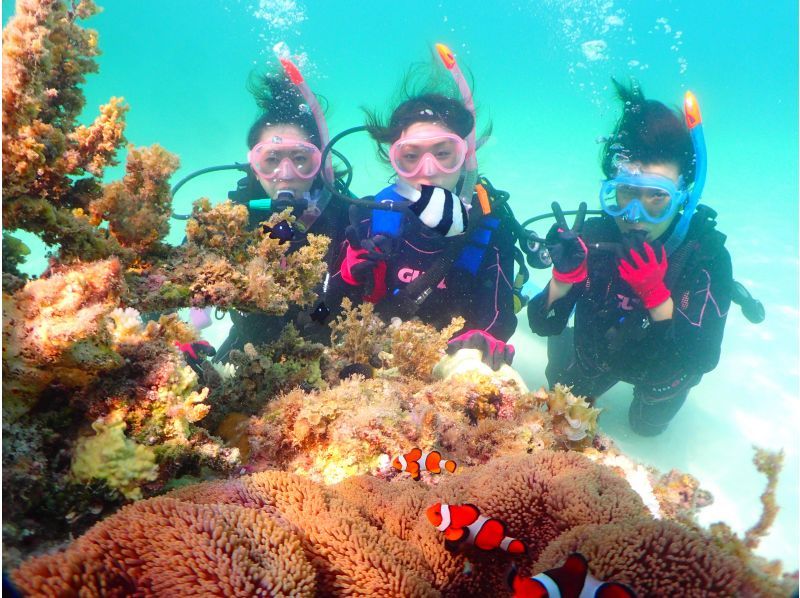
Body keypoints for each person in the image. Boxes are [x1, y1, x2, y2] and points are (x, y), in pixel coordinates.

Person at [528, 79, 733, 436]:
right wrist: (564, 279)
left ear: (683, 199)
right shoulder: (593, 238)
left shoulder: (705, 255)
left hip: (661, 376)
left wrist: (656, 297)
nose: (635, 215)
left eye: (657, 197)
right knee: (560, 411)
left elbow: (701, 358)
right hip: (598, 357)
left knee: (646, 430)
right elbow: (544, 325)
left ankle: (647, 409)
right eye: (625, 192)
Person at [324, 62, 519, 369]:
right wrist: (343, 278)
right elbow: (320, 316)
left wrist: (483, 342)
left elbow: (498, 318)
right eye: (411, 157)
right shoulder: (366, 219)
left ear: (465, 158)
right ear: (395, 161)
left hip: (448, 371)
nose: (428, 171)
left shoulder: (490, 228)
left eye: (443, 153)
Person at [213, 67, 350, 362]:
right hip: (248, 347)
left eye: (300, 159)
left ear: (319, 163)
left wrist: (319, 319)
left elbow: (351, 290)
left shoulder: (344, 215)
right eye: (271, 160)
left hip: (328, 348)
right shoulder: (234, 218)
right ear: (254, 165)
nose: (285, 174)